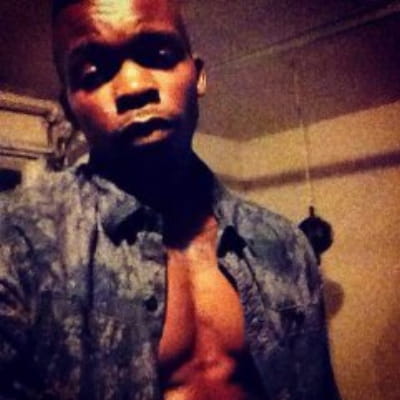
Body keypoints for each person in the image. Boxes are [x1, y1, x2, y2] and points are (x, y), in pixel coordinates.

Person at [0, 0, 341, 399]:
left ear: (198, 76)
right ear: (70, 110)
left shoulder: (287, 247)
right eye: (93, 73)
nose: (134, 87)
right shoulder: (16, 246)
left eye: (159, 55)